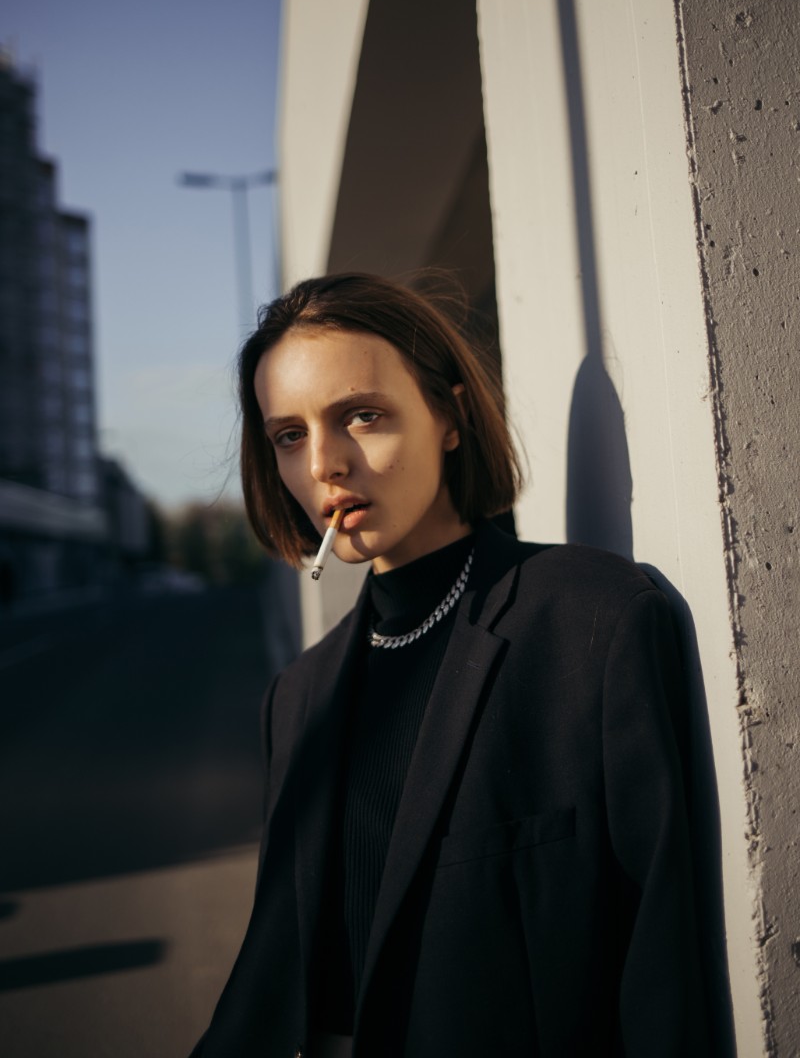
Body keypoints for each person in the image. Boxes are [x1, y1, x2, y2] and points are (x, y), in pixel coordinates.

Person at [190, 272, 708, 1057]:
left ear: (451, 417)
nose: (324, 464)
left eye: (361, 415)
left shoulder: (592, 622)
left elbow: (660, 965)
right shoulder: (298, 696)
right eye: (289, 436)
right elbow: (276, 975)